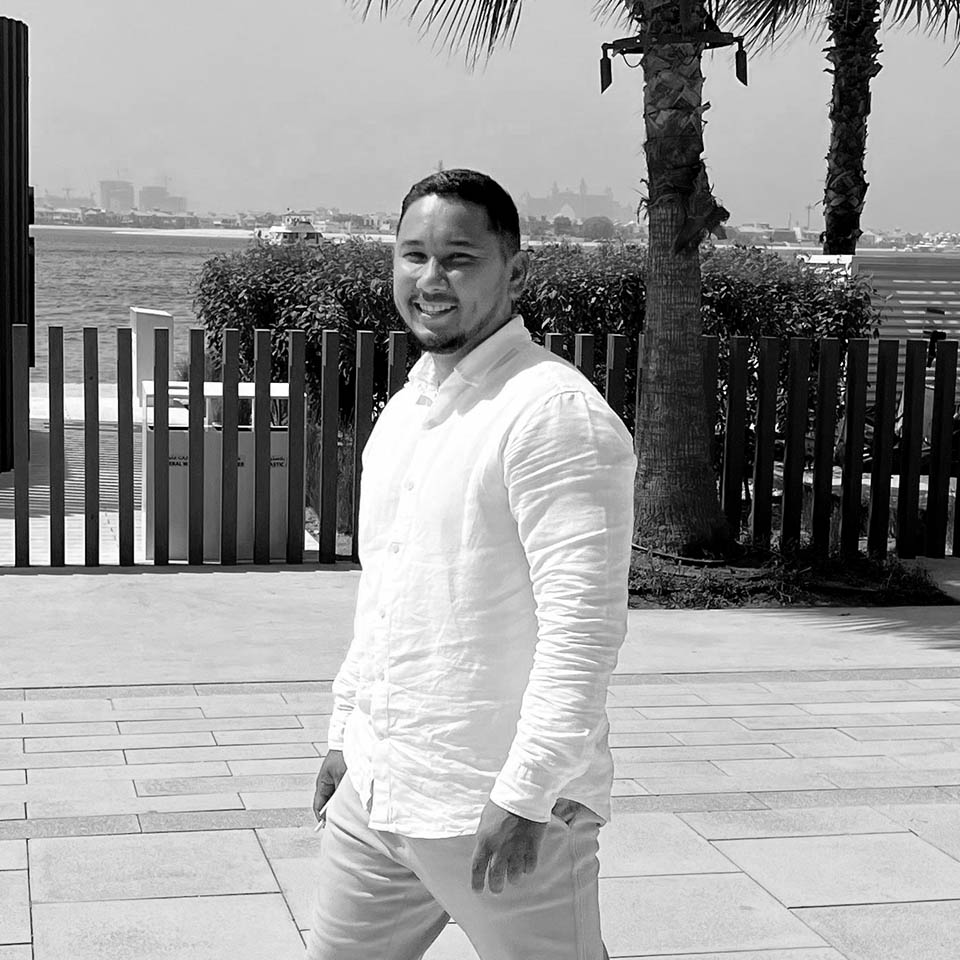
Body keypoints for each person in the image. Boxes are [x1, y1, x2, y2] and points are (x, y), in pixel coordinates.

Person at [305, 168, 636, 960]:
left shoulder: (554, 414)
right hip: (379, 792)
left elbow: (582, 632)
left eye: (459, 258)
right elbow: (386, 595)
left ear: (515, 273)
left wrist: (527, 792)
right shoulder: (410, 409)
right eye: (413, 255)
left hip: (497, 805)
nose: (431, 279)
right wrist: (346, 734)